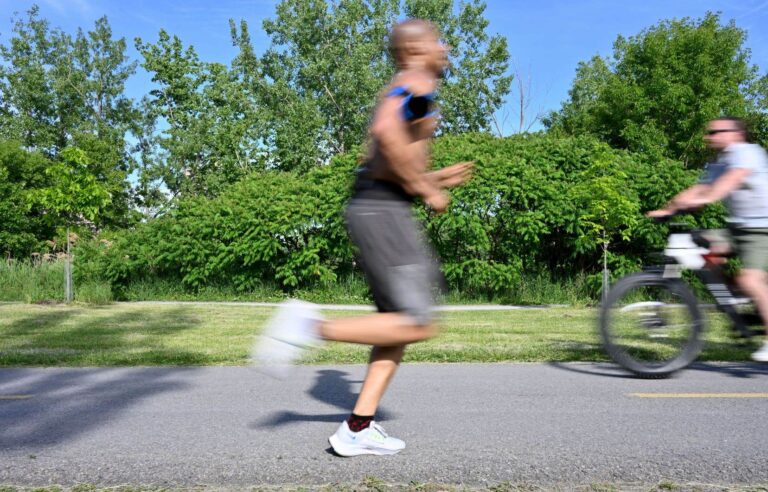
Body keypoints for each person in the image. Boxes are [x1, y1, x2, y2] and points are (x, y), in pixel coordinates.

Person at [253, 19, 473, 456]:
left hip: (379, 205)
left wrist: (431, 177)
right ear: (414, 50)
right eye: (436, 41)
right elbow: (386, 131)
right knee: (419, 321)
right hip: (384, 212)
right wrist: (428, 188)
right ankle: (307, 326)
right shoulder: (416, 82)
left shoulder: (412, 85)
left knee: (394, 331)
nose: (444, 47)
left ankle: (357, 428)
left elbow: (386, 160)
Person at [648, 116, 768, 362]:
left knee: (750, 279)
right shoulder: (719, 162)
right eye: (709, 133)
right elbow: (698, 189)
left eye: (716, 132)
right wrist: (668, 208)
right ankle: (736, 298)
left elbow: (731, 180)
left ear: (735, 133)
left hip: (761, 227)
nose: (709, 137)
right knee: (700, 241)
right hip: (738, 228)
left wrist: (707, 199)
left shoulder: (747, 152)